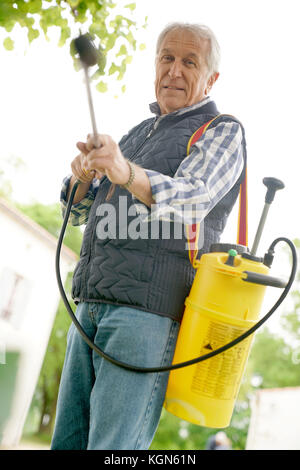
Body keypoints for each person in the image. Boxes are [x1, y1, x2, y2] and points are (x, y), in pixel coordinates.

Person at [51, 22, 247, 450]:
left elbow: (193, 199)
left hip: (147, 316)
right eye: (167, 58)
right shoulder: (136, 134)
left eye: (189, 62)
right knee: (66, 444)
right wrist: (83, 178)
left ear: (211, 78)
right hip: (89, 308)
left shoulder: (222, 131)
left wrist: (126, 172)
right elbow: (78, 213)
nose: (174, 71)